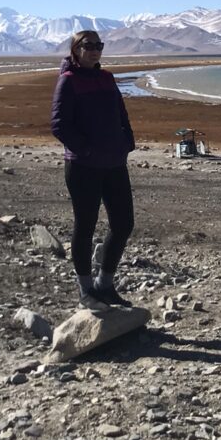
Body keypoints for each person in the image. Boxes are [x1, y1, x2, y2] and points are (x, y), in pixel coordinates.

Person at [50, 30, 135, 311]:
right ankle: (86, 290)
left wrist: (127, 141)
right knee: (85, 227)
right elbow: (60, 125)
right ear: (76, 49)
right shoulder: (68, 81)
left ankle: (105, 284)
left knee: (123, 224)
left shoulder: (107, 78)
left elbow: (120, 113)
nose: (95, 51)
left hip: (114, 164)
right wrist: (86, 150)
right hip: (83, 167)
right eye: (89, 46)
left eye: (99, 46)